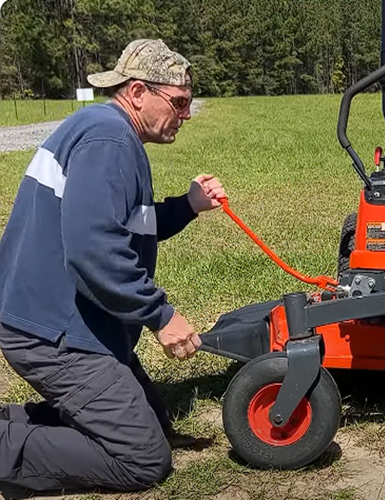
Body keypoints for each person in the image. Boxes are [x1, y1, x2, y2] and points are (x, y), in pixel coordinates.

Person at [0, 39, 225, 494]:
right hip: (50, 332)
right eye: (179, 102)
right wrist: (161, 316)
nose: (185, 114)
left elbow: (126, 226)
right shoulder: (109, 139)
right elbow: (94, 249)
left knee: (155, 423)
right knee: (142, 458)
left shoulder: (105, 130)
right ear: (138, 92)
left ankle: (20, 425)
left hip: (57, 318)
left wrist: (187, 205)